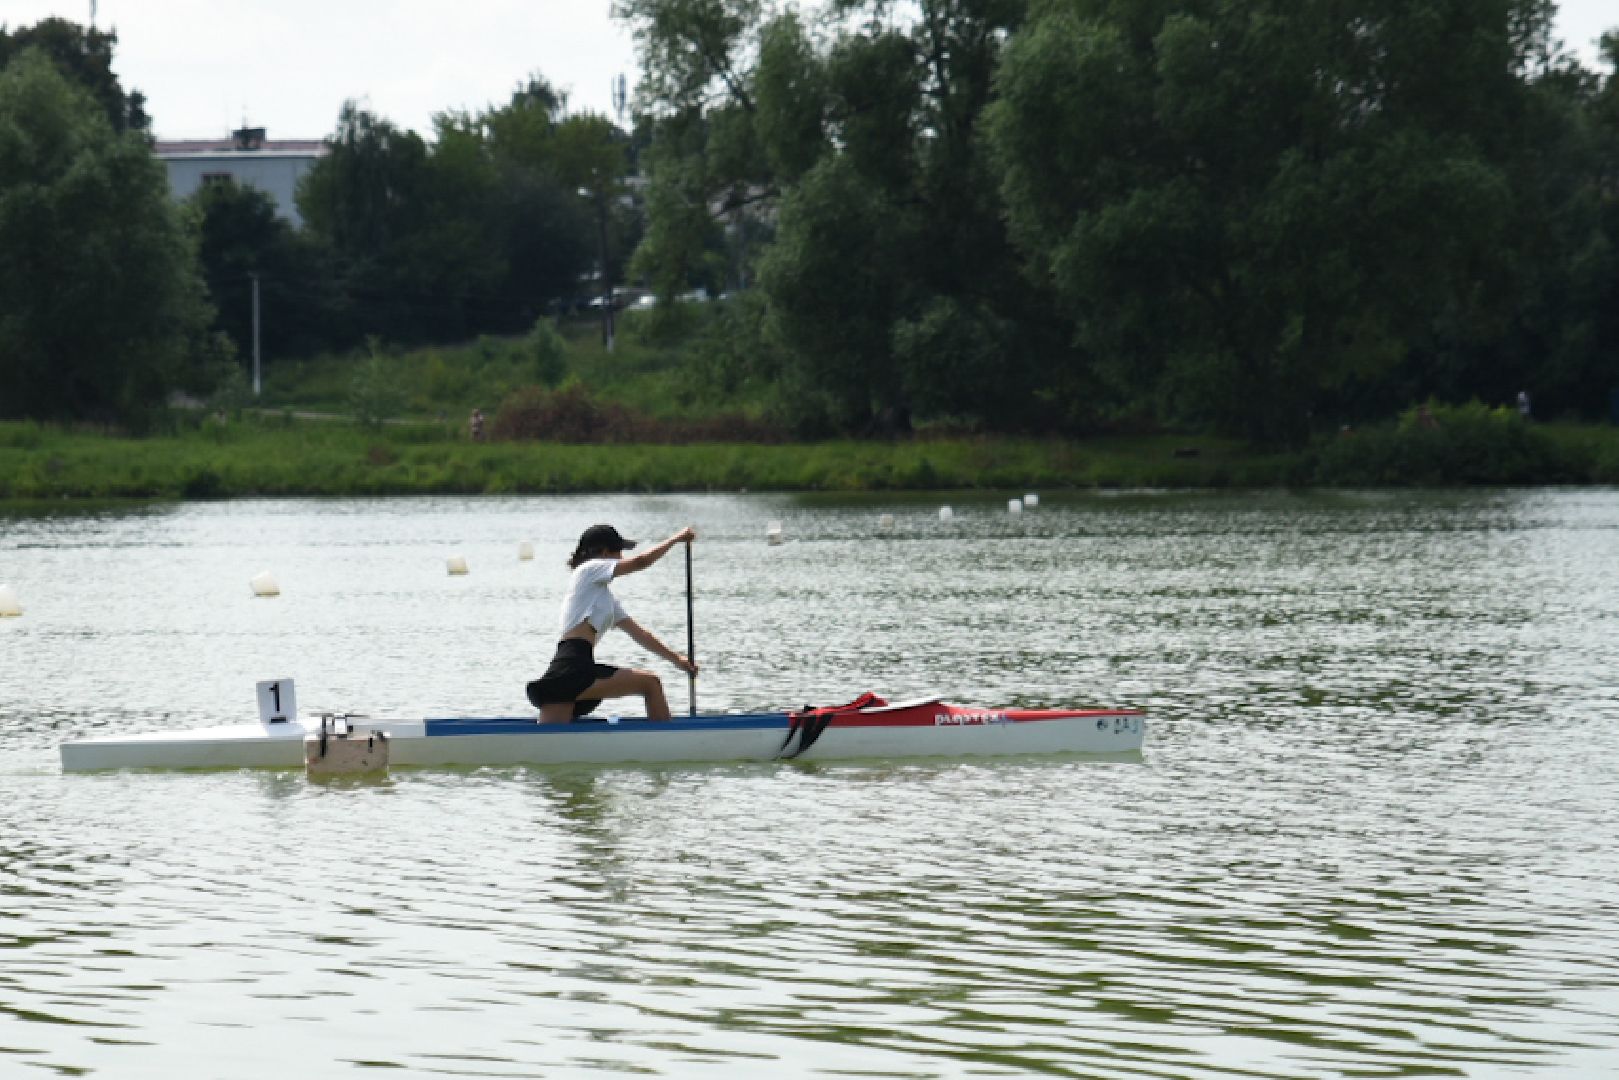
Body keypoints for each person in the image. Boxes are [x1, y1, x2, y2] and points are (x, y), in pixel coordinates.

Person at [526, 523, 698, 723]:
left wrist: (678, 660)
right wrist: (676, 539)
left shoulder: (605, 600)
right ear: (605, 553)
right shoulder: (587, 570)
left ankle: (662, 737)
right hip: (571, 666)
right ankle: (665, 738)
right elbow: (641, 561)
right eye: (619, 552)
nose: (622, 558)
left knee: (650, 682)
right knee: (651, 683)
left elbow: (641, 635)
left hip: (578, 665)